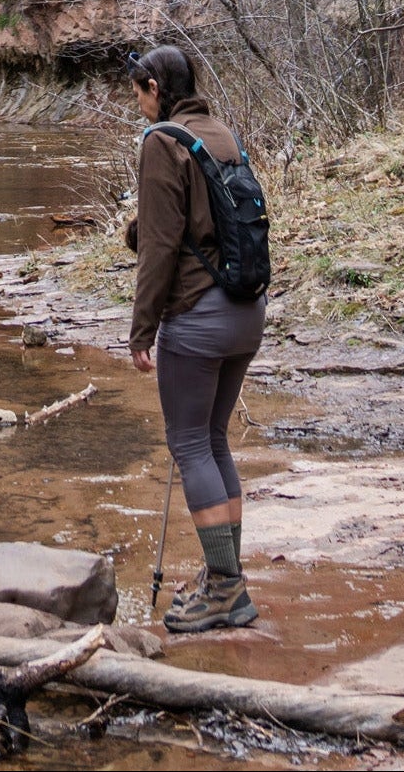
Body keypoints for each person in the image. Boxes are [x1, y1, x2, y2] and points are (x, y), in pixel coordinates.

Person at [122, 44, 266, 632]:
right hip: (246, 313)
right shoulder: (221, 134)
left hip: (198, 319)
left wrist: (142, 328)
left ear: (156, 88)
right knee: (214, 439)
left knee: (188, 444)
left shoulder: (162, 142)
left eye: (137, 91)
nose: (135, 103)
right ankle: (225, 577)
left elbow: (160, 245)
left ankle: (226, 588)